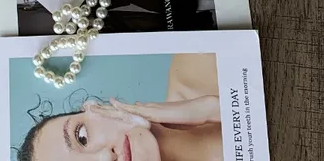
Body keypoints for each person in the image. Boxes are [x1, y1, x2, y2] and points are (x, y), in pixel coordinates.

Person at [17, 54, 221, 161]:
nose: (105, 157)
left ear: (95, 108)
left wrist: (215, 109)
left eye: (82, 137)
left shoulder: (203, 59)